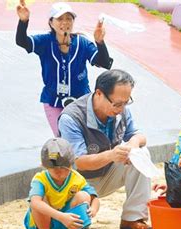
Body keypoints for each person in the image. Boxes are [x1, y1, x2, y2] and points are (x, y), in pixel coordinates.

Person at [58, 69, 152, 229]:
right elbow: (79, 162)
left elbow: (139, 136)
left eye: (126, 102)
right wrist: (112, 155)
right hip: (77, 183)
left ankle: (132, 219)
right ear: (99, 93)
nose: (121, 109)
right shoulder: (71, 118)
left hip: (107, 174)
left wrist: (134, 143)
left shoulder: (121, 110)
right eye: (117, 104)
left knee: (141, 153)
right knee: (78, 227)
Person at [16, 1, 113, 136]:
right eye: (60, 19)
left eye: (69, 18)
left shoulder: (82, 43)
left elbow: (103, 62)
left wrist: (100, 42)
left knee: (88, 137)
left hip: (81, 102)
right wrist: (23, 21)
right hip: (53, 101)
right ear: (51, 22)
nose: (65, 22)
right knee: (64, 139)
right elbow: (22, 42)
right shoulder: (44, 41)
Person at [24, 138, 100, 229]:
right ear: (44, 166)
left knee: (83, 195)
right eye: (54, 168)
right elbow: (35, 202)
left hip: (70, 223)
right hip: (44, 223)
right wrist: (61, 217)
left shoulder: (76, 178)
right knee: (39, 201)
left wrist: (93, 209)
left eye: (63, 168)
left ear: (71, 164)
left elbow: (94, 197)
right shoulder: (41, 179)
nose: (59, 172)